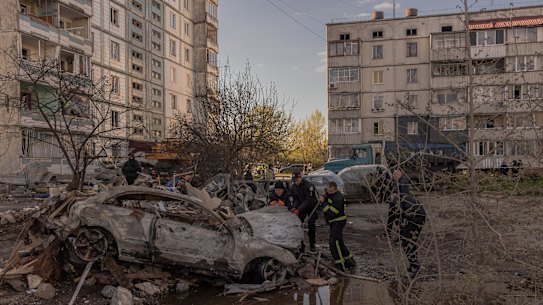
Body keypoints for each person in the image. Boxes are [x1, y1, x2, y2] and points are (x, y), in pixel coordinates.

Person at [320, 181, 356, 272]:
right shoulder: (330, 194)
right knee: (339, 241)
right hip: (334, 222)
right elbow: (328, 197)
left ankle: (340, 264)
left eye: (331, 191)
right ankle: (349, 260)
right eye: (328, 191)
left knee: (334, 242)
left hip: (338, 221)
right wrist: (324, 195)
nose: (329, 193)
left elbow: (330, 213)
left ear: (335, 189)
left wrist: (323, 203)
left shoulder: (338, 198)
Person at [398, 193, 426, 278]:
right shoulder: (406, 197)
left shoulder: (397, 200)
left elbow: (397, 217)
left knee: (407, 243)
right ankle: (413, 265)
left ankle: (415, 267)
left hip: (416, 218)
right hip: (420, 217)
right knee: (410, 241)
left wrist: (399, 232)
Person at [290, 172, 318, 252]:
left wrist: (299, 209)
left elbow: (308, 200)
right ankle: (301, 244)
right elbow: (296, 199)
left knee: (311, 224)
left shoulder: (309, 186)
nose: (296, 182)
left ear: (300, 178)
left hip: (311, 206)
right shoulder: (293, 187)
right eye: (294, 181)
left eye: (297, 180)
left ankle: (312, 244)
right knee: (299, 224)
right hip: (302, 206)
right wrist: (294, 207)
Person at [386, 169, 411, 235]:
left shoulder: (403, 182)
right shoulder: (397, 181)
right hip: (394, 204)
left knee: (399, 219)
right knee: (391, 218)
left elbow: (403, 195)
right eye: (393, 174)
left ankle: (400, 234)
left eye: (394, 175)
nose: (393, 176)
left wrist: (395, 196)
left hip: (399, 204)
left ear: (398, 174)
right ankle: (388, 232)